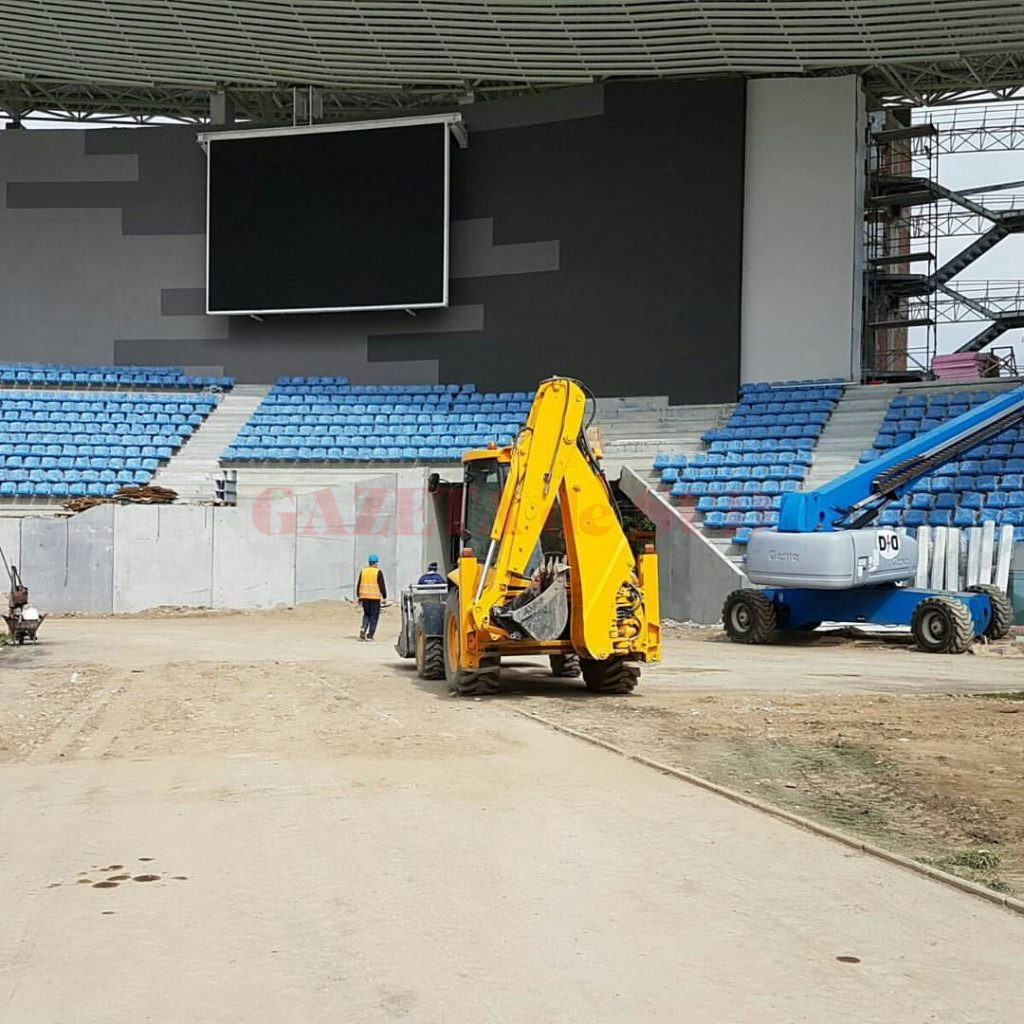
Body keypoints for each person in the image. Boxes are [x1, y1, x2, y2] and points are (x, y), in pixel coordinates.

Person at [356, 553, 387, 641]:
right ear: (376, 563)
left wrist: (359, 596)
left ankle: (363, 628)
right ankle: (370, 635)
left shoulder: (363, 571)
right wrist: (384, 597)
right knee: (374, 616)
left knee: (366, 614)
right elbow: (381, 585)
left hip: (364, 597)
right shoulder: (378, 572)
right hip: (375, 598)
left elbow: (359, 584)